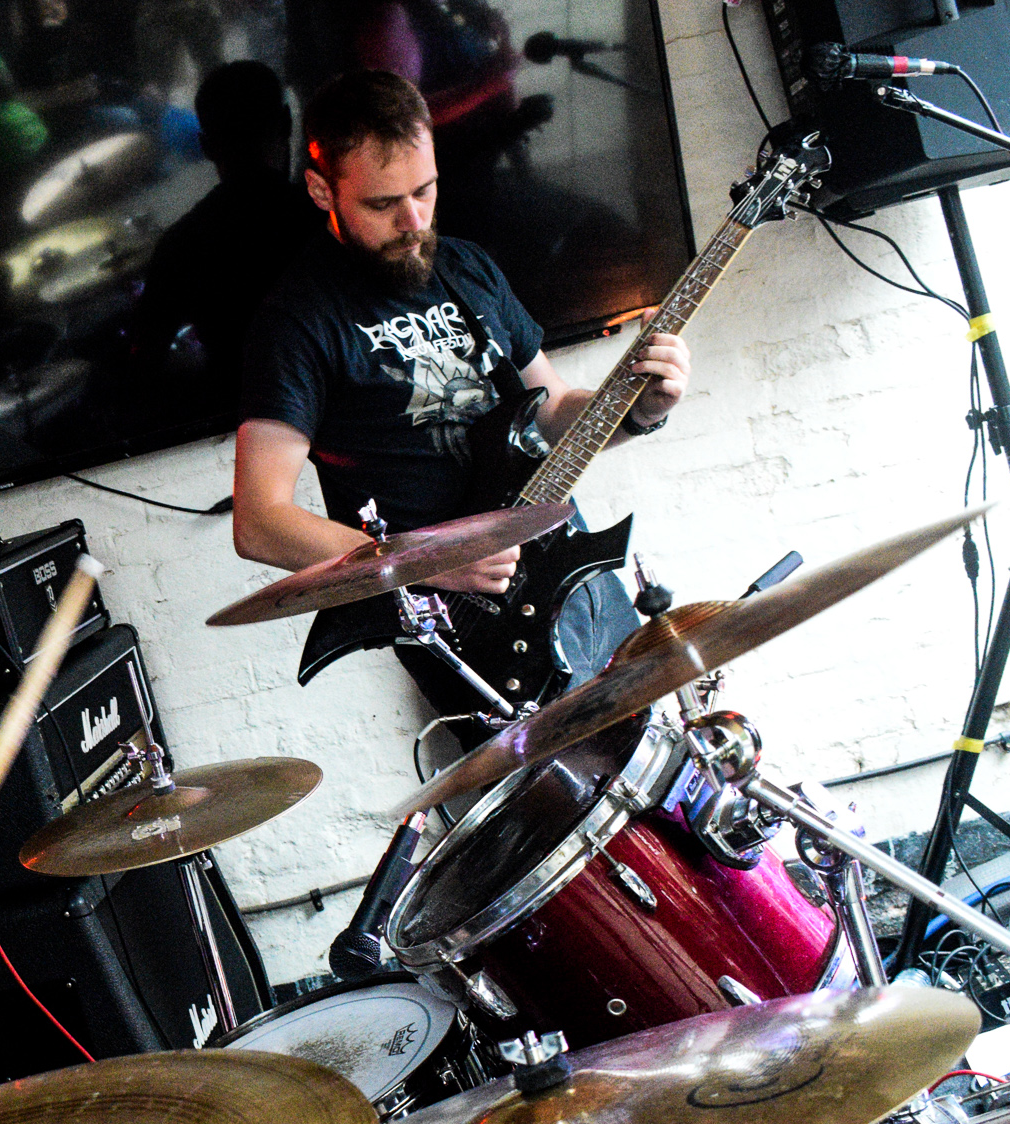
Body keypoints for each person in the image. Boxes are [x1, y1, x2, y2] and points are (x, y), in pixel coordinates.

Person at [231, 70, 691, 725]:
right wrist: (430, 563)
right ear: (321, 189)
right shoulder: (296, 323)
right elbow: (260, 521)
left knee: (669, 754)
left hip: (569, 569)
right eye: (383, 204)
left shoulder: (467, 266)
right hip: (472, 631)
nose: (414, 221)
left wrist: (640, 410)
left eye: (424, 190)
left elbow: (552, 408)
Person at [133, 60, 323, 414]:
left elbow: (145, 359)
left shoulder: (181, 245)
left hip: (239, 415)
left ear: (206, 145)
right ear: (286, 122)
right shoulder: (331, 223)